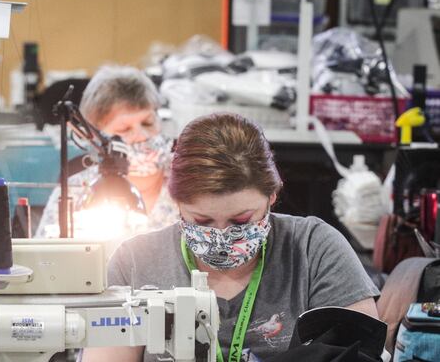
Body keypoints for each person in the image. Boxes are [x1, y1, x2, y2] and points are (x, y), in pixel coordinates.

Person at [83, 113, 380, 362]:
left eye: (240, 221)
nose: (222, 237)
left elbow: (358, 352)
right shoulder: (134, 263)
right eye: (202, 221)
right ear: (175, 203)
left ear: (272, 196)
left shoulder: (314, 250)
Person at [34, 66, 178, 239]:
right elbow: (45, 258)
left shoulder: (189, 184)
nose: (141, 135)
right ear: (95, 139)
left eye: (147, 123)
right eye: (124, 129)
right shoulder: (76, 192)